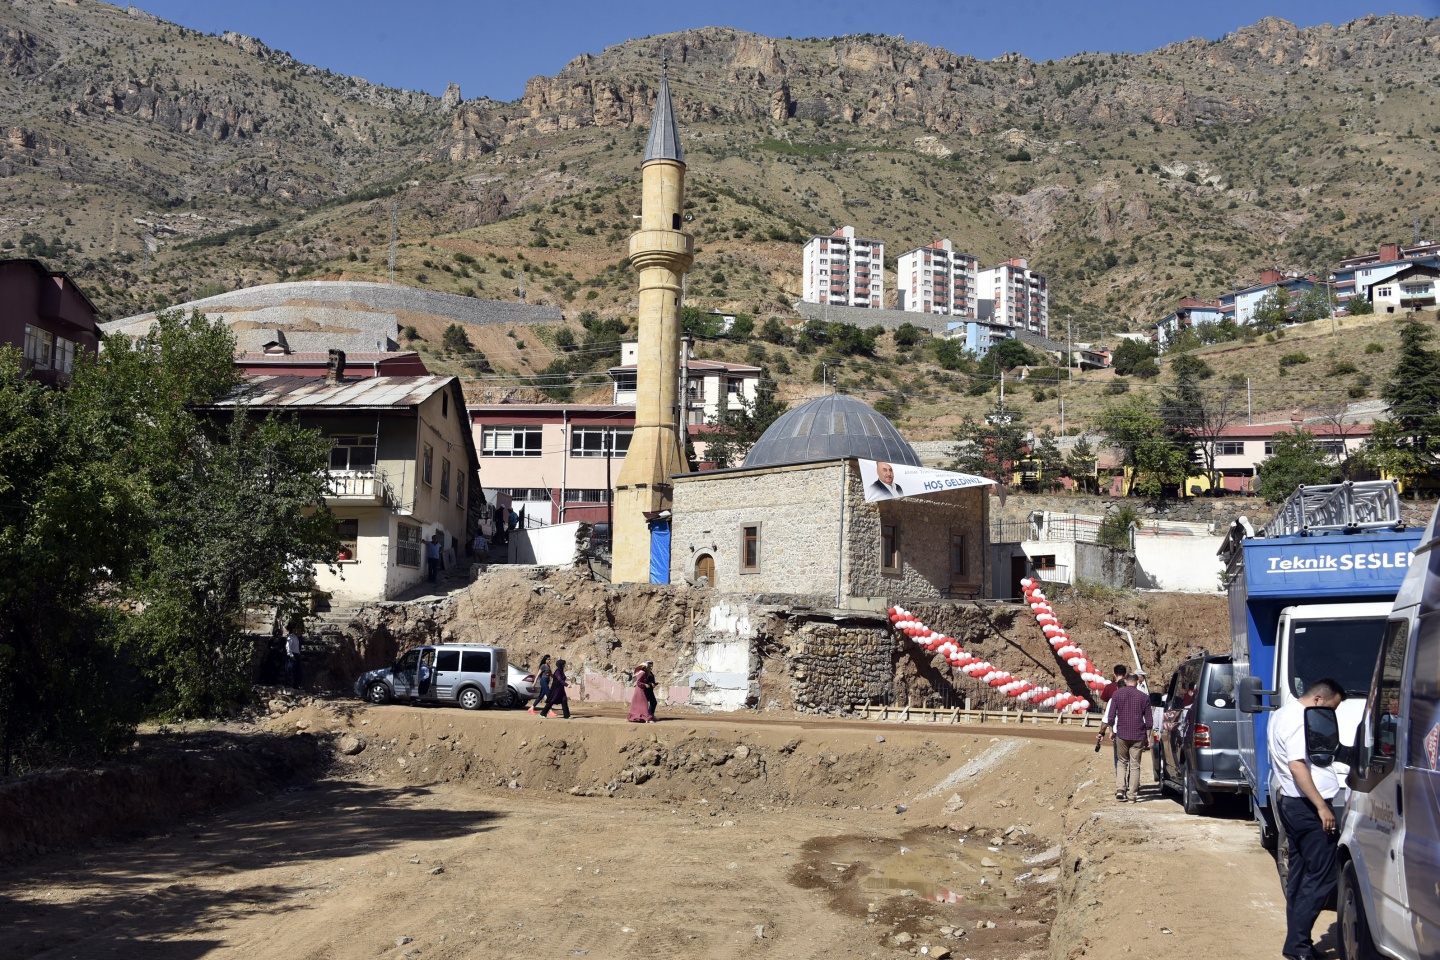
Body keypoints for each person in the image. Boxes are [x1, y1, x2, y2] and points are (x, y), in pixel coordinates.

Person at [1270, 677, 1347, 960]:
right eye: (1331, 708)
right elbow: (1297, 765)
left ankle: (1298, 944)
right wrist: (1322, 807)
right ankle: (1298, 946)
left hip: (1292, 804)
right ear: (1318, 699)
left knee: (1301, 876)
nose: (1331, 715)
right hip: (1307, 807)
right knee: (1323, 877)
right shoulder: (1300, 719)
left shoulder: (1281, 713)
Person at [1099, 673, 1152, 802]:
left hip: (1122, 733)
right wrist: (1148, 737)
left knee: (1121, 762)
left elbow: (1110, 716)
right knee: (1135, 765)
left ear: (1126, 681)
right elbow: (1149, 720)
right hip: (1138, 735)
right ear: (1137, 682)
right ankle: (1132, 795)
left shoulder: (1117, 695)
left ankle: (1120, 790)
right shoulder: (1144, 697)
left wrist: (1110, 730)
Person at [284, 626, 303, 691]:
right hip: (292, 655)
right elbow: (288, 646)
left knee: (297, 671)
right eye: (299, 631)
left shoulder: (297, 638)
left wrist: (298, 653)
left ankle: (296, 685)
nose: (300, 632)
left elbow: (296, 647)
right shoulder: (291, 637)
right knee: (289, 669)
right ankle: (287, 684)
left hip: (296, 654)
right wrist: (291, 655)